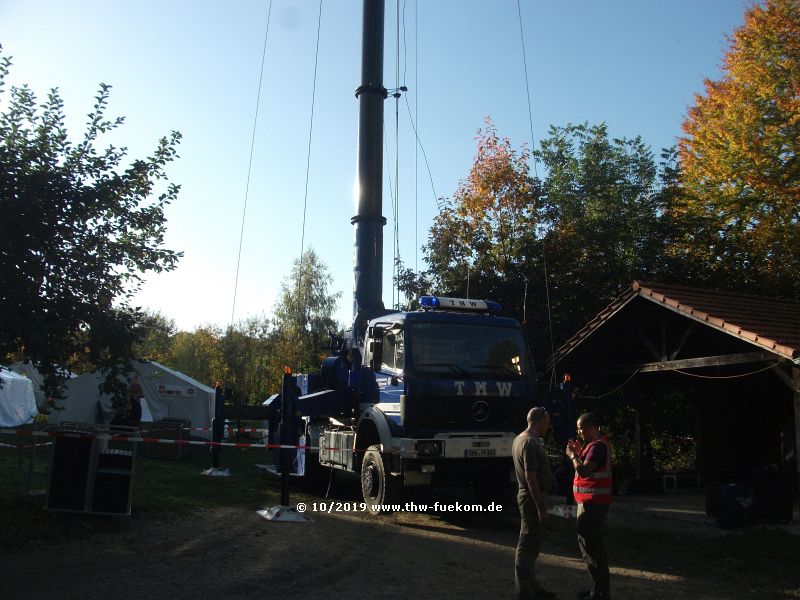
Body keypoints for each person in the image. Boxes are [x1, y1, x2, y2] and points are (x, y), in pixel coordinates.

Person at [566, 413, 612, 600]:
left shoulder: (597, 447)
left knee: (593, 548)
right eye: (578, 428)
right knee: (591, 547)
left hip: (593, 505)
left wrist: (573, 456)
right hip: (590, 503)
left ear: (593, 427)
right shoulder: (593, 446)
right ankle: (598, 589)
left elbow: (584, 470)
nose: (580, 432)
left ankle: (600, 592)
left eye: (582, 428)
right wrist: (578, 453)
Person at [513, 406, 557, 600]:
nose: (548, 426)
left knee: (532, 543)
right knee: (527, 543)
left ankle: (531, 585)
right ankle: (524, 591)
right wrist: (540, 507)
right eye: (547, 422)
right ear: (539, 421)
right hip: (532, 498)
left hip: (530, 496)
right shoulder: (530, 443)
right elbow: (531, 477)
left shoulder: (520, 439)